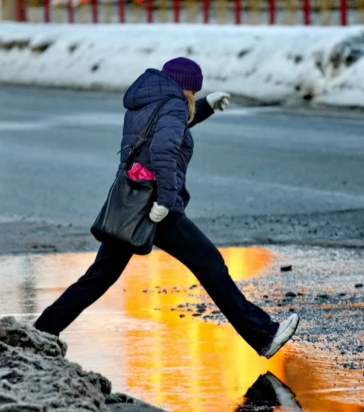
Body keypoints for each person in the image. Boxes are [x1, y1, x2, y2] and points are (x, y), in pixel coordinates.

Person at [34, 57, 300, 360]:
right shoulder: (173, 105)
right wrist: (165, 201)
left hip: (132, 199)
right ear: (187, 87)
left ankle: (42, 330)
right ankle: (264, 335)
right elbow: (164, 149)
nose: (194, 98)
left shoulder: (151, 97)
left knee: (100, 276)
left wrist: (207, 107)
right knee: (210, 264)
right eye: (195, 93)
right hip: (156, 204)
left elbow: (166, 127)